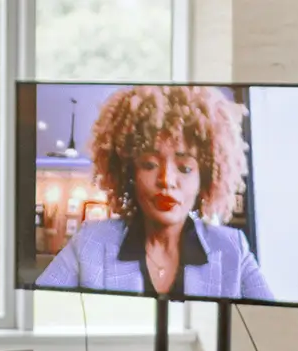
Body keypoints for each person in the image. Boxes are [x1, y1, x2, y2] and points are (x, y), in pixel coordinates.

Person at [35, 86, 274, 300]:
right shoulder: (90, 242)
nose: (166, 180)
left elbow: (269, 326)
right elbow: (40, 310)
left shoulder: (232, 248)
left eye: (185, 168)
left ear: (206, 177)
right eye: (149, 164)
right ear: (129, 174)